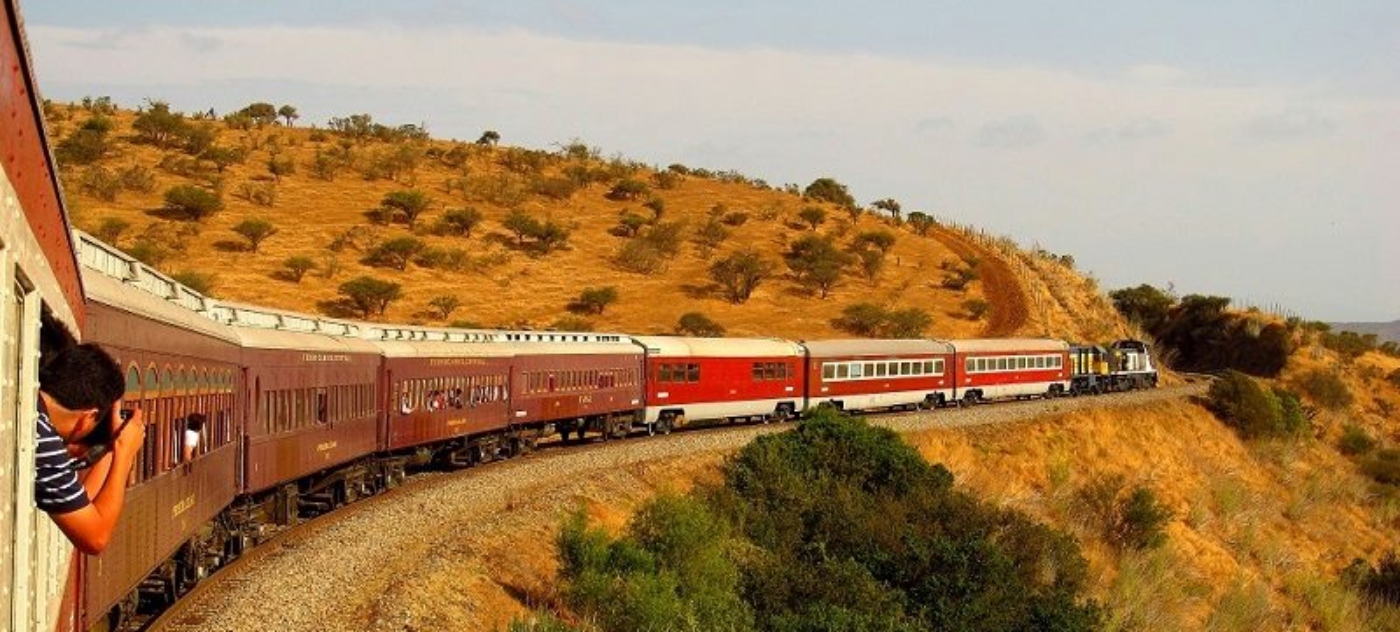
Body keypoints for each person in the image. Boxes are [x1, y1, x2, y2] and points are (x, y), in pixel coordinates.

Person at [36, 342, 145, 555]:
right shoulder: (43, 441)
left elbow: (80, 502)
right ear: (89, 417)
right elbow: (95, 538)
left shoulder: (33, 413)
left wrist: (109, 448)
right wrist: (124, 454)